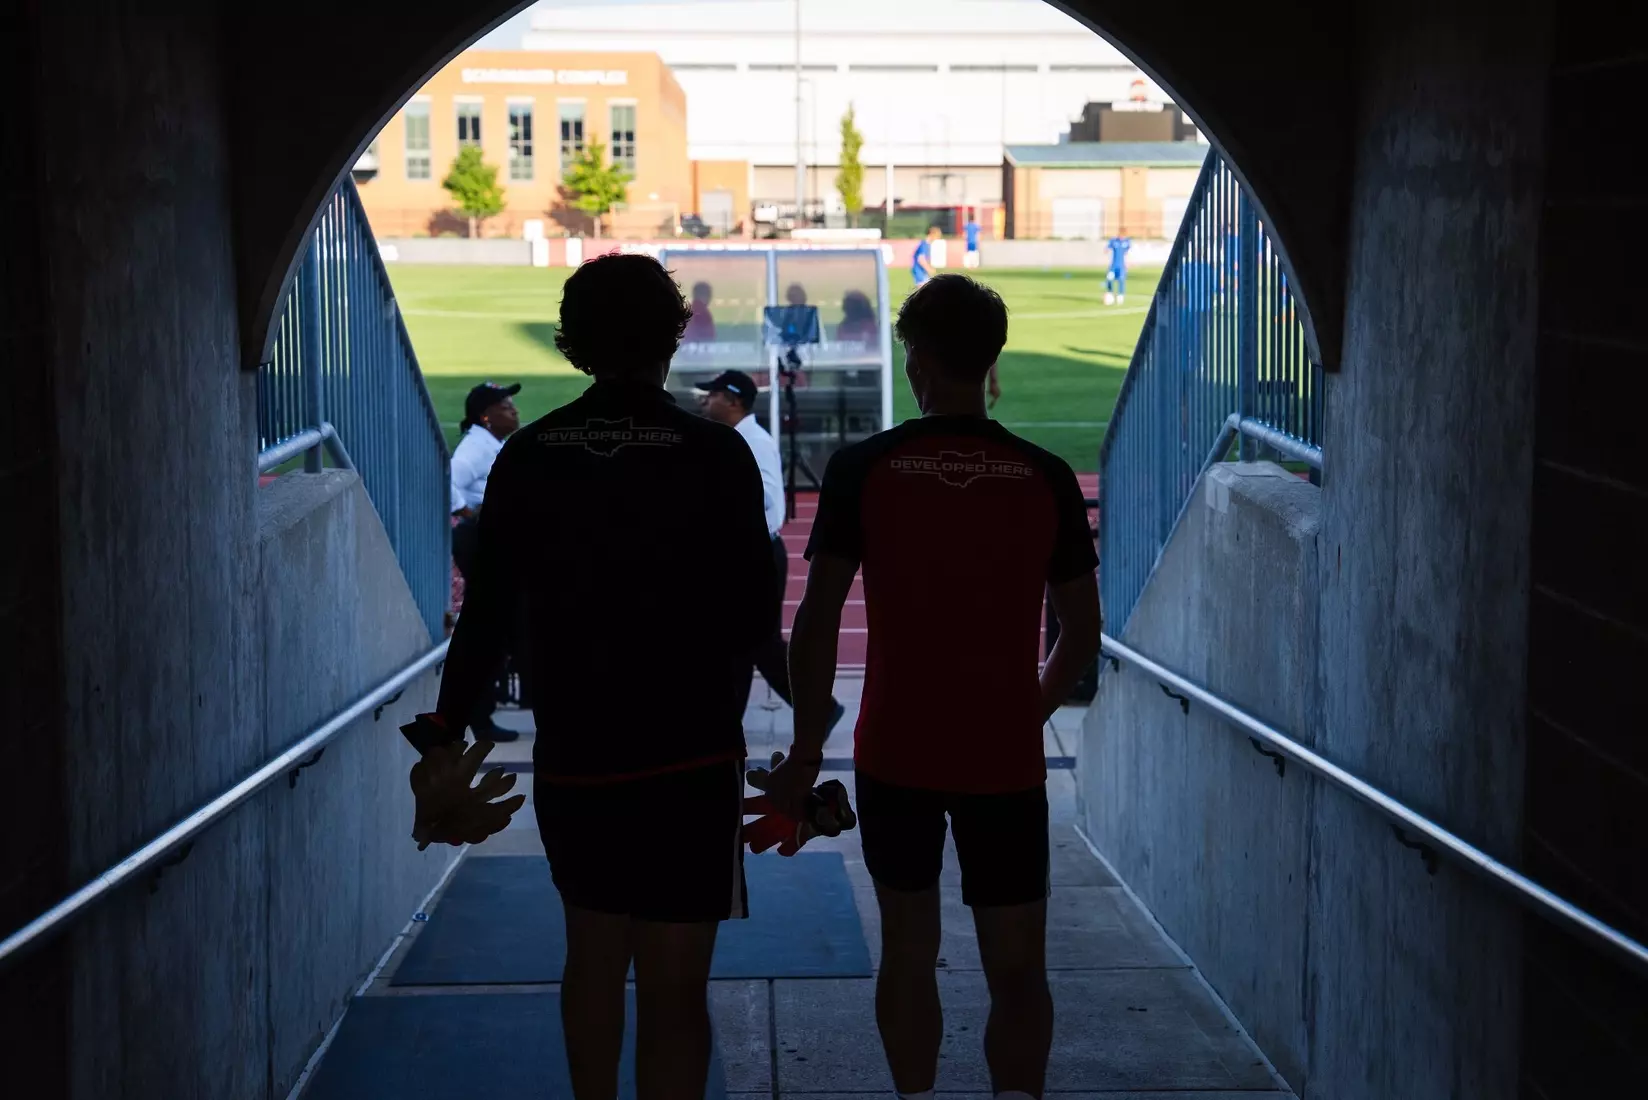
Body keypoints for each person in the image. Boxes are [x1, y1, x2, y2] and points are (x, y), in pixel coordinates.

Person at [413, 253, 777, 1100]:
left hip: (580, 754)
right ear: (676, 332)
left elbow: (486, 615)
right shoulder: (716, 454)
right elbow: (756, 618)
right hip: (690, 754)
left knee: (592, 957)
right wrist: (791, 736)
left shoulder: (530, 453)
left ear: (573, 346)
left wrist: (439, 736)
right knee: (677, 989)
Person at [765, 274, 1102, 1100]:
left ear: (914, 363)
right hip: (1006, 762)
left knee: (908, 950)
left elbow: (815, 623)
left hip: (896, 751)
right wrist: (1029, 712)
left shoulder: (863, 468)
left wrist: (807, 752)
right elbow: (1082, 637)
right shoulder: (1046, 474)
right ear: (992, 362)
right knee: (1019, 965)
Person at [697, 369, 846, 738]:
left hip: (755, 554)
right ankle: (737, 717)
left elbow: (765, 497)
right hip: (749, 553)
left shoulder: (752, 441)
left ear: (732, 400)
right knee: (744, 642)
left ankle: (819, 708)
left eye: (711, 394)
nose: (704, 400)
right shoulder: (741, 437)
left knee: (756, 643)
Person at [450, 381, 523, 743]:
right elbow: (451, 475)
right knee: (490, 631)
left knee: (493, 631)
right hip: (478, 541)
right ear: (485, 416)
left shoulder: (490, 443)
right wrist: (464, 511)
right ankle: (479, 718)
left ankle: (479, 716)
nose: (514, 411)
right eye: (506, 406)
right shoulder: (476, 447)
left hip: (486, 541)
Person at [1104, 231, 1132, 305]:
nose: (1121, 236)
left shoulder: (1127, 242)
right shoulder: (1113, 241)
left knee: (1121, 280)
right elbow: (1107, 249)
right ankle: (1110, 294)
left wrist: (1127, 263)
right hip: (1113, 266)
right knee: (1109, 279)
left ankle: (1120, 296)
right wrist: (1106, 250)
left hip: (1121, 266)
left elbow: (1128, 253)